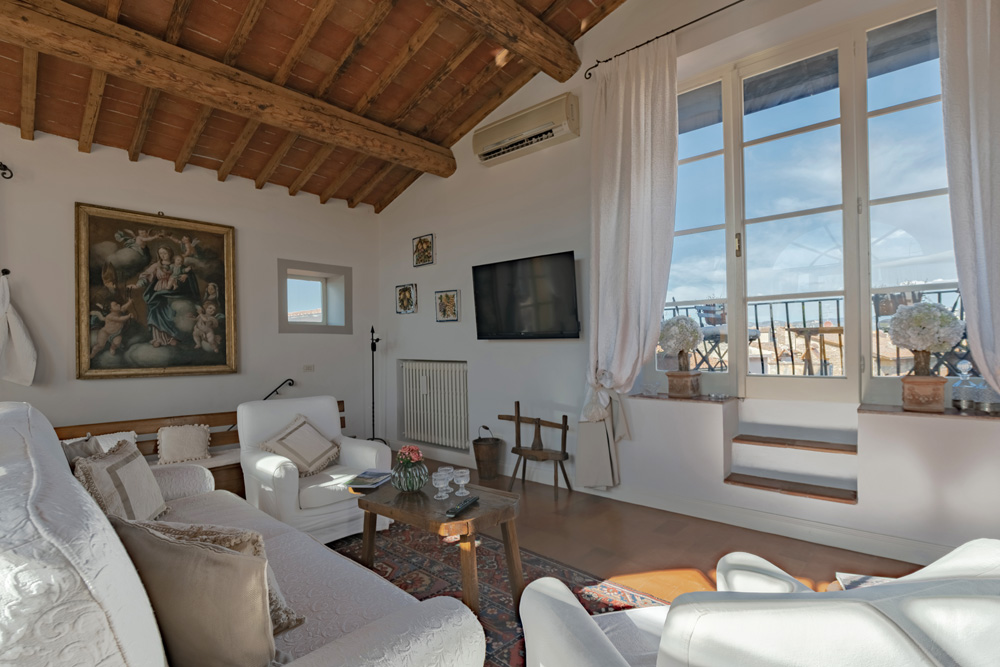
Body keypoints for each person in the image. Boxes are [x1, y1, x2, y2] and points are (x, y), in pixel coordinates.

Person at [128, 245, 198, 348]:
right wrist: (137, 285)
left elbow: (186, 273)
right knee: (156, 313)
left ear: (170, 253)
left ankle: (171, 337)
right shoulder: (156, 266)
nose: (163, 255)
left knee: (170, 313)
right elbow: (146, 276)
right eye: (161, 253)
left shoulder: (177, 264)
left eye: (165, 253)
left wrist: (185, 275)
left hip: (172, 292)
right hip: (158, 291)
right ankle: (158, 339)